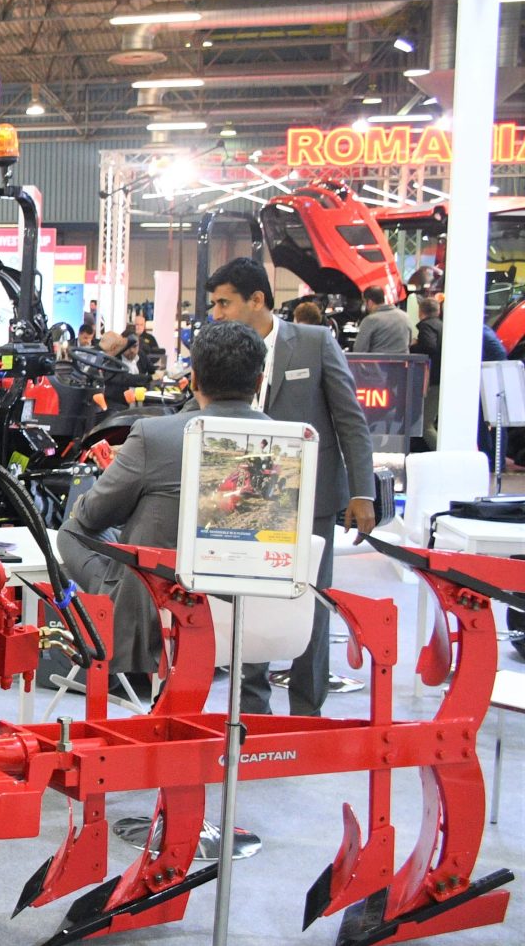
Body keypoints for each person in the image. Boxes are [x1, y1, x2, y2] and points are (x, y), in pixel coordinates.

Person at [60, 321, 270, 696]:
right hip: (256, 610)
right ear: (259, 381)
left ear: (195, 380)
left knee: (74, 529)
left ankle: (111, 618)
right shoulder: (288, 440)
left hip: (167, 609)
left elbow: (92, 516)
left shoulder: (156, 435)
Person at [205, 257, 374, 716]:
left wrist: (363, 492)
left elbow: (350, 422)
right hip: (244, 500)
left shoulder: (315, 343)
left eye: (224, 303)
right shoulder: (220, 348)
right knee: (247, 601)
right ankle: (253, 711)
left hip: (312, 500)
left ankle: (306, 711)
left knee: (312, 606)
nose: (216, 313)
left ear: (256, 300)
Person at [412, 295, 442, 449]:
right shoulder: (442, 325)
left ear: (421, 311)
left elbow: (429, 346)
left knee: (425, 424)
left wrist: (414, 346)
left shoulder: (426, 326)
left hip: (433, 380)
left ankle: (441, 453)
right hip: (441, 379)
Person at [351, 285, 412, 353]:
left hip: (378, 362)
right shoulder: (405, 317)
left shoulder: (370, 320)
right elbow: (409, 343)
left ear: (370, 302)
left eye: (364, 302)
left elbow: (359, 350)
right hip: (403, 362)